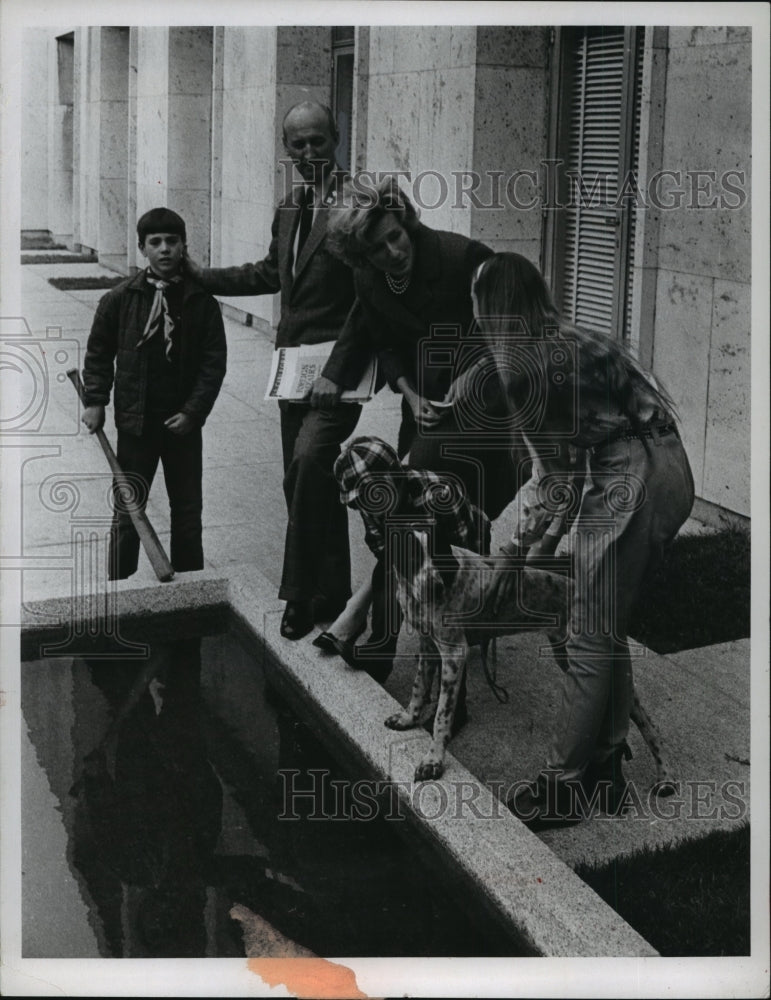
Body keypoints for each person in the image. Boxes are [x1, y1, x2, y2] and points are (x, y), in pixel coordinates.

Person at [473, 252, 695, 828]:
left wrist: (511, 558)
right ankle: (605, 767)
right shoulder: (571, 338)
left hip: (632, 476)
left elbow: (555, 482)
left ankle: (561, 785)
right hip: (666, 464)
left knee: (589, 634)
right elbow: (569, 480)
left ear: (494, 310)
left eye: (478, 307)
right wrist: (537, 547)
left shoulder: (524, 370)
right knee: (606, 622)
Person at [318, 177, 526, 675]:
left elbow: (513, 322)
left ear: (406, 219)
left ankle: (371, 624)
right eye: (377, 247)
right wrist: (409, 393)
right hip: (429, 414)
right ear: (359, 255)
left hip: (490, 416)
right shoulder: (369, 278)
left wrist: (474, 370)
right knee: (432, 519)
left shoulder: (462, 256)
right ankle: (442, 626)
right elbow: (385, 342)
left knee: (413, 504)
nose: (394, 251)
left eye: (397, 236)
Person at [187, 102, 362, 640]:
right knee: (306, 481)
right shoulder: (289, 207)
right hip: (293, 371)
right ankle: (332, 592)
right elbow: (271, 271)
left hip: (339, 372)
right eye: (297, 146)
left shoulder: (361, 204)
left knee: (309, 464)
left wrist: (338, 368)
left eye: (318, 141)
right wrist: (203, 276)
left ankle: (299, 596)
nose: (309, 154)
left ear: (337, 136)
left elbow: (370, 298)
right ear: (286, 150)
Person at [81, 207, 227, 579]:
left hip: (182, 427)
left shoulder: (201, 302)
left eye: (172, 241)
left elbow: (213, 365)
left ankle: (192, 598)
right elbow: (98, 354)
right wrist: (95, 400)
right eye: (155, 242)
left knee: (188, 514)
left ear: (184, 246)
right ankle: (120, 592)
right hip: (136, 425)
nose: (164, 249)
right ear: (142, 247)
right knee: (129, 512)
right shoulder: (119, 299)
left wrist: (193, 412)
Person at [322, 435, 488, 714]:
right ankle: (380, 651)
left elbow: (467, 554)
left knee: (449, 621)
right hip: (411, 548)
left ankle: (454, 706)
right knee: (388, 575)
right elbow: (381, 549)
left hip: (460, 547)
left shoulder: (440, 493)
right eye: (361, 499)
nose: (372, 503)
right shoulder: (370, 505)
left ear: (397, 476)